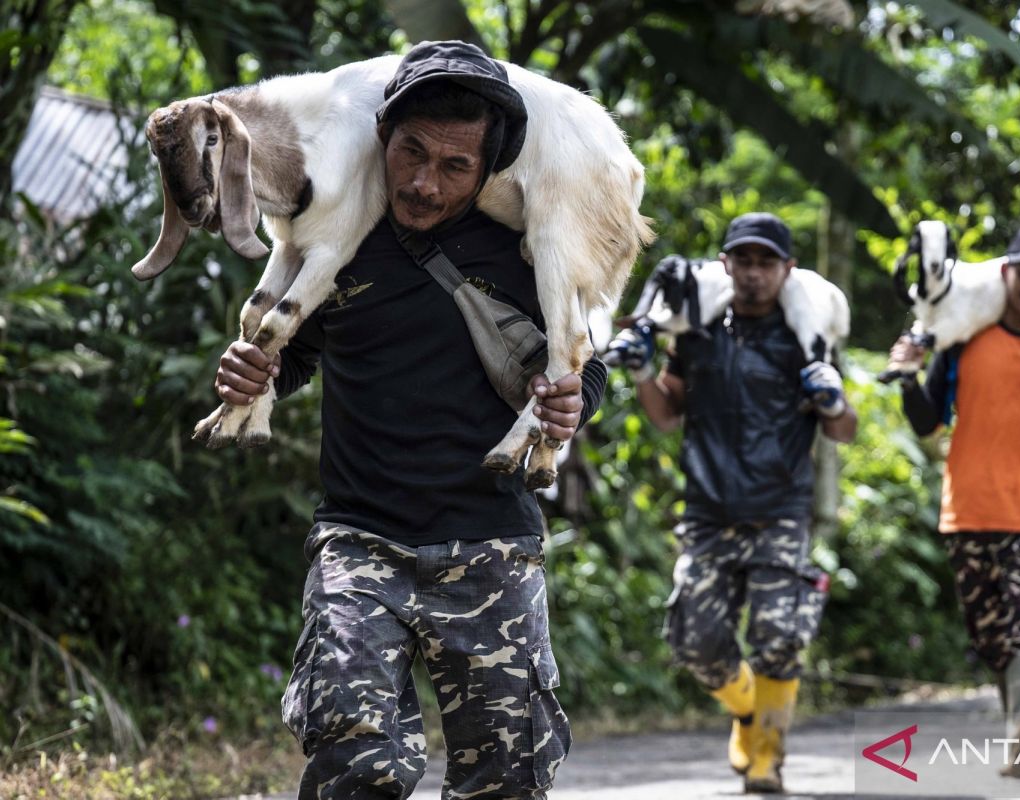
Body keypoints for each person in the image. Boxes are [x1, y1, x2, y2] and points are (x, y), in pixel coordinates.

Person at [211, 41, 607, 799]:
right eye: (410, 153)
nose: (424, 184)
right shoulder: (337, 236)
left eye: (454, 167)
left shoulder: (531, 248)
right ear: (382, 139)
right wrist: (254, 371)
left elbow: (583, 362)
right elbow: (295, 355)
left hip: (491, 546)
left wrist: (572, 397)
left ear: (487, 171)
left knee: (506, 775)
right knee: (354, 765)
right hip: (361, 545)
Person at [617, 212, 857, 794]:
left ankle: (768, 758)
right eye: (743, 261)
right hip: (707, 513)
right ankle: (746, 709)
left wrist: (830, 399)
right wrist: (644, 371)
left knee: (780, 635)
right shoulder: (696, 332)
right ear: (725, 265)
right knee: (694, 644)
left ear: (786, 269)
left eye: (765, 263)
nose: (753, 273)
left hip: (779, 513)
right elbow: (667, 413)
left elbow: (843, 430)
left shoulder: (804, 338)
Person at [889, 222, 1020, 779]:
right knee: (989, 636)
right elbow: (929, 420)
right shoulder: (961, 339)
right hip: (968, 513)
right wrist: (908, 377)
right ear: (1005, 274)